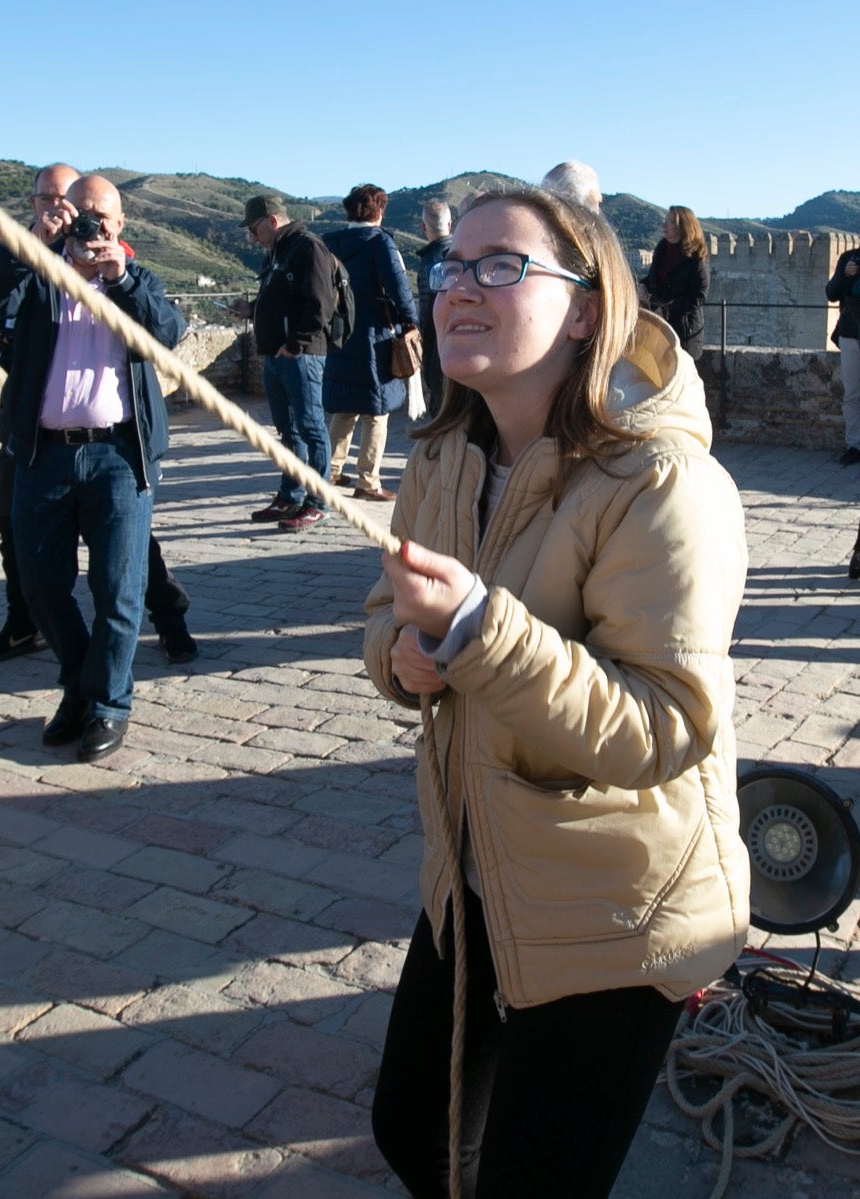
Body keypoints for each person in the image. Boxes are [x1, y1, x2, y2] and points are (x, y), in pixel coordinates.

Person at [362, 186, 749, 1197]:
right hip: (471, 873)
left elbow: (664, 725)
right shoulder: (444, 456)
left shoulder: (664, 483)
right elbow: (383, 612)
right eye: (451, 265)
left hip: (617, 915)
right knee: (411, 1130)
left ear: (586, 307)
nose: (459, 288)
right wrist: (401, 655)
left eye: (503, 265)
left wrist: (482, 633)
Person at [0, 174, 185, 762]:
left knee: (119, 589)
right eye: (77, 214)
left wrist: (121, 276)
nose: (90, 226)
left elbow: (166, 336)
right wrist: (31, 240)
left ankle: (106, 702)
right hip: (44, 453)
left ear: (120, 224)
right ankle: (81, 684)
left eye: (101, 217)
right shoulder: (37, 272)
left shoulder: (136, 279)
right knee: (39, 585)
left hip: (118, 455)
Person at [231, 194, 337, 531]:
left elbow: (320, 305)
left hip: (300, 356)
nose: (252, 237)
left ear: (272, 221)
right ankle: (290, 495)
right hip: (276, 356)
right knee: (289, 431)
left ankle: (318, 500)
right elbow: (277, 300)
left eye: (254, 229)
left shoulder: (307, 248)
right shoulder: (277, 253)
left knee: (311, 428)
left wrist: (294, 345)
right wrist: (250, 310)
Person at [323, 184, 417, 503]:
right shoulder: (380, 243)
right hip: (375, 335)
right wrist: (410, 320)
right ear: (379, 211)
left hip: (340, 334)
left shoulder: (328, 244)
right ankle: (368, 481)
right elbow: (397, 285)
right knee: (377, 411)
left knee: (346, 404)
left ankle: (330, 470)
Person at [639, 205, 711, 362]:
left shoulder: (696, 256)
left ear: (684, 227)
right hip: (660, 329)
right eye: (665, 220)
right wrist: (642, 286)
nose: (664, 225)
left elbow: (699, 296)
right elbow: (655, 278)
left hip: (684, 331)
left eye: (671, 222)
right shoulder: (661, 249)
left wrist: (666, 311)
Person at [414, 200, 453, 411]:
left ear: (423, 227)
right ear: (450, 224)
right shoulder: (467, 255)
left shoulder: (429, 264)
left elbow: (426, 317)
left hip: (439, 356)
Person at [827, 241, 860, 464]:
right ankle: (854, 445)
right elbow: (831, 293)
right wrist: (845, 276)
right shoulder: (850, 259)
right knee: (852, 394)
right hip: (850, 334)